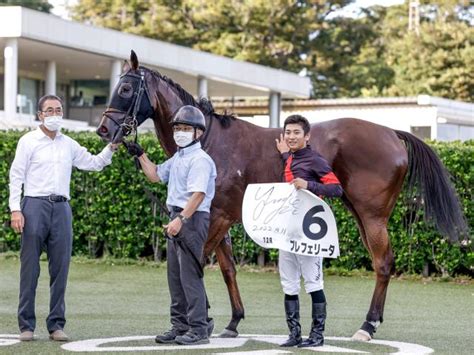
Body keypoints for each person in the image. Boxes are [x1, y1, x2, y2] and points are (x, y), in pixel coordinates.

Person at [9, 94, 118, 342]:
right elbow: (16, 176)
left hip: (62, 209)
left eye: (58, 109)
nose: (55, 114)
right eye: (49, 110)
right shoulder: (28, 141)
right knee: (30, 269)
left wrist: (110, 148)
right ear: (40, 115)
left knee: (61, 269)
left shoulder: (68, 143)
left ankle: (56, 325)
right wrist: (16, 209)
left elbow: (93, 163)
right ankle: (26, 326)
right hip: (33, 206)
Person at [125, 105, 216, 345]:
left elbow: (197, 195)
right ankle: (180, 325)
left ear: (198, 133)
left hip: (191, 218)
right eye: (177, 128)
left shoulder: (200, 160)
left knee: (190, 276)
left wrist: (181, 219)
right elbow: (155, 175)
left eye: (186, 128)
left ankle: (199, 329)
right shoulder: (179, 157)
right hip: (178, 217)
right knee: (175, 276)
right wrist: (140, 154)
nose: (180, 132)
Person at [275, 114, 343, 348]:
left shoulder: (316, 160)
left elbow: (336, 189)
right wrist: (285, 153)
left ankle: (317, 335)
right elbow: (293, 171)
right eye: (288, 132)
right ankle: (294, 334)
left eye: (296, 133)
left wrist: (309, 185)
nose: (291, 136)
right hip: (287, 232)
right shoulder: (291, 158)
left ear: (307, 136)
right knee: (289, 285)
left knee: (314, 284)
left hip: (310, 234)